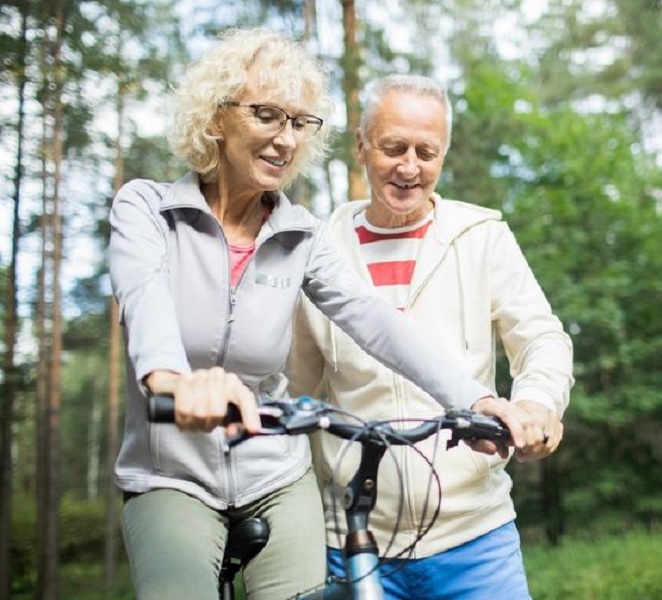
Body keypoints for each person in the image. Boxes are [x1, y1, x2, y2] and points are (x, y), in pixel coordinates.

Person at [108, 32, 532, 600]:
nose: (285, 139)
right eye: (266, 115)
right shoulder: (148, 209)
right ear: (216, 117)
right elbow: (145, 301)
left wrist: (472, 400)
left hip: (275, 475)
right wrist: (172, 382)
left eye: (300, 123)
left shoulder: (301, 234)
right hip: (172, 476)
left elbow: (374, 320)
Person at [287, 74, 574, 600]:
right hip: (353, 542)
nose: (409, 167)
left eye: (427, 151)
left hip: (476, 536)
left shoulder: (481, 236)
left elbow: (541, 338)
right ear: (361, 146)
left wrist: (535, 404)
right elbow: (295, 390)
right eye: (393, 147)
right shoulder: (317, 249)